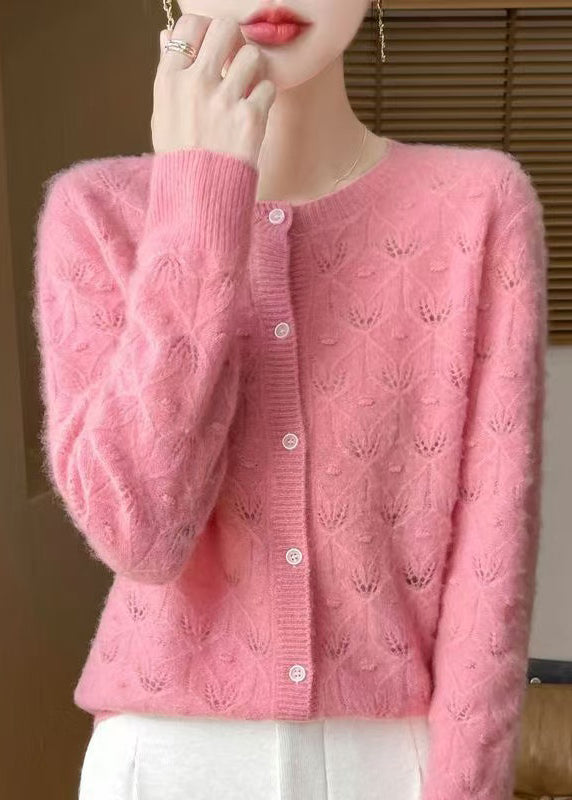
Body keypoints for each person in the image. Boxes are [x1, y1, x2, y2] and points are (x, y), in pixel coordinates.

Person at [31, 0, 548, 798]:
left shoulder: (479, 204)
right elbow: (140, 537)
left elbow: (493, 561)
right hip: (166, 765)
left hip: (395, 765)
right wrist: (198, 198)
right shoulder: (95, 212)